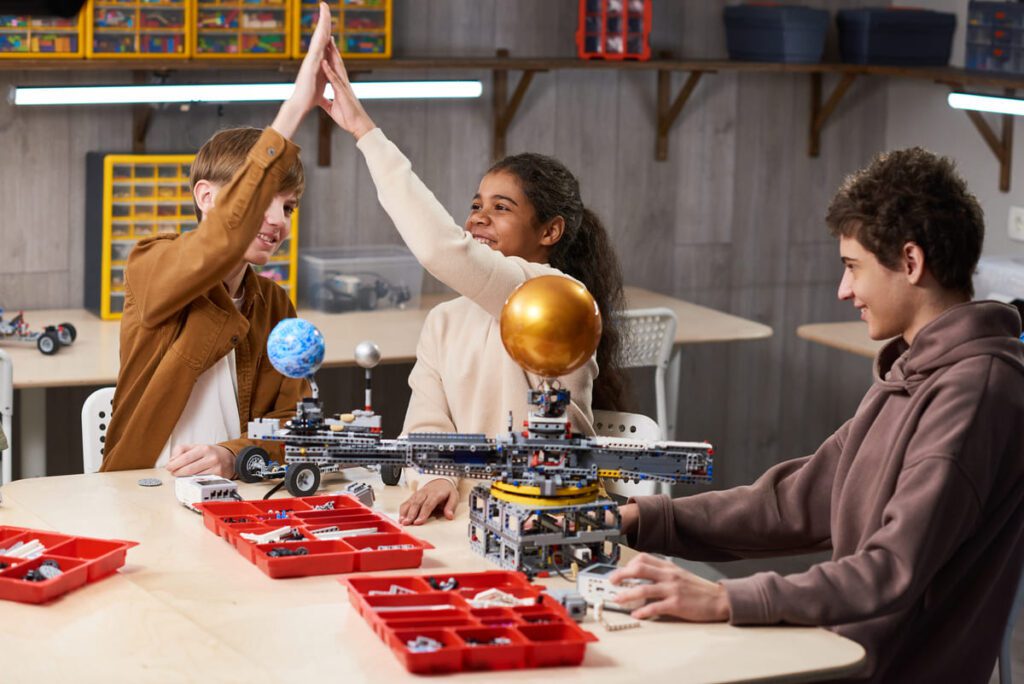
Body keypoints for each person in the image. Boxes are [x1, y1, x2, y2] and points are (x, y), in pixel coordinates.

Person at [607, 148, 1024, 682]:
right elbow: (793, 504)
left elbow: (891, 569)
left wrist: (725, 599)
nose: (843, 290)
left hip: (875, 669)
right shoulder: (912, 372)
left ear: (911, 262)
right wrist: (643, 519)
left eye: (852, 267)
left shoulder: (975, 393)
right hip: (837, 649)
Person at [316, 42, 628, 525]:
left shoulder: (554, 296)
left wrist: (364, 131)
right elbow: (426, 421)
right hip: (464, 518)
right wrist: (437, 476)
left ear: (550, 231)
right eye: (476, 205)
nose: (479, 218)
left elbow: (440, 249)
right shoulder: (445, 319)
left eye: (501, 208)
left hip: (545, 518)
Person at [100, 4, 337, 476]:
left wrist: (233, 454)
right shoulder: (151, 265)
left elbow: (294, 425)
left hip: (236, 497)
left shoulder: (272, 303)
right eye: (263, 200)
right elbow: (218, 243)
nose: (277, 220)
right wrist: (293, 110)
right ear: (207, 198)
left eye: (288, 207)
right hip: (141, 488)